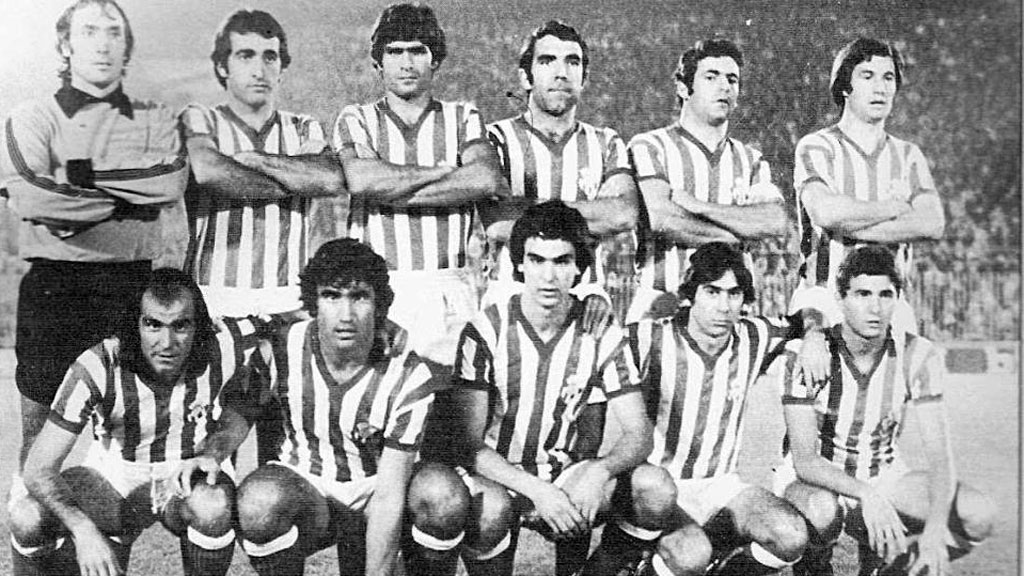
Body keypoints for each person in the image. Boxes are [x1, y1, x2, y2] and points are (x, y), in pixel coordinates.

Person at [179, 239, 467, 576]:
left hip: (378, 486)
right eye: (331, 296)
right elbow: (242, 410)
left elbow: (389, 495)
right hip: (307, 484)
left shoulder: (409, 373)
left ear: (379, 304)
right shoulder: (281, 347)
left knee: (443, 496)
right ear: (313, 303)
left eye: (359, 297)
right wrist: (213, 452)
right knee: (259, 502)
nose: (346, 315)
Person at [0, 0, 188, 511]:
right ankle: (31, 548)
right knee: (38, 451)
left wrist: (76, 177)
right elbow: (31, 196)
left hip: (134, 288)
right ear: (65, 45)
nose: (102, 44)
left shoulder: (154, 119)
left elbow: (170, 181)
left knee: (137, 443)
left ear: (126, 47)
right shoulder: (31, 117)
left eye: (113, 32)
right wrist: (129, 194)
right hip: (55, 290)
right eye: (88, 32)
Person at [445, 200, 672, 576]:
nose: (548, 277)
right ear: (519, 264)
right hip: (497, 475)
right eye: (536, 260)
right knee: (492, 509)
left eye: (562, 261)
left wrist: (598, 471)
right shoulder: (486, 330)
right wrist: (537, 491)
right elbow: (468, 444)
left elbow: (639, 434)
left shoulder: (600, 330)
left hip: (563, 475)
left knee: (655, 487)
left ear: (579, 267)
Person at [585, 242, 829, 576]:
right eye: (712, 292)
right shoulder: (650, 337)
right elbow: (595, 347)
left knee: (790, 535)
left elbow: (803, 316)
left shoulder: (754, 336)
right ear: (691, 295)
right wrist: (594, 300)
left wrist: (814, 335)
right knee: (691, 554)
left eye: (734, 294)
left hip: (721, 486)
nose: (723, 306)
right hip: (657, 489)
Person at [179, 8, 352, 467]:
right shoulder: (200, 118)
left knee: (283, 456)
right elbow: (209, 171)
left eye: (270, 56)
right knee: (209, 453)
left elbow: (329, 179)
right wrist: (292, 179)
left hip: (286, 305)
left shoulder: (304, 127)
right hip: (215, 301)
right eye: (245, 55)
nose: (259, 68)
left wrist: (249, 162)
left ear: (282, 65)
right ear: (222, 66)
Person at [10, 268, 262, 576]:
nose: (167, 342)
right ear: (135, 324)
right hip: (114, 478)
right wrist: (83, 530)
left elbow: (262, 371)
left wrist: (215, 450)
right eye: (153, 324)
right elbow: (37, 468)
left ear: (199, 324)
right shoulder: (98, 364)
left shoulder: (224, 345)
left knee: (213, 505)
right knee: (27, 516)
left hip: (186, 472)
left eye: (181, 325)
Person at [776, 246, 994, 576]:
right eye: (862, 294)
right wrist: (866, 494)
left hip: (882, 475)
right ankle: (814, 564)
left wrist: (935, 531)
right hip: (817, 480)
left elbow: (940, 457)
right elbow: (805, 461)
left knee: (977, 513)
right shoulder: (808, 354)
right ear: (840, 299)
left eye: (885, 295)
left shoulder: (918, 354)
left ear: (898, 299)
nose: (875, 308)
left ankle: (893, 569)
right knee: (821, 510)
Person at [332, 2, 507, 367]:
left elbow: (485, 178)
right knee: (377, 397)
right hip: (379, 290)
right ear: (378, 62)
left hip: (451, 289)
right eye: (394, 52)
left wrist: (390, 186)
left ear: (435, 59)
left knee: (452, 396)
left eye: (417, 51)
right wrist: (445, 171)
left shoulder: (463, 116)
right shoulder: (357, 117)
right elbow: (362, 181)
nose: (406, 63)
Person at [483, 20, 638, 327]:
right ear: (525, 77)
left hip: (586, 302)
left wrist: (527, 211)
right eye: (547, 61)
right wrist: (592, 212)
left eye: (572, 62)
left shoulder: (606, 142)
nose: (561, 72)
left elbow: (622, 215)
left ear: (584, 78)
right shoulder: (495, 138)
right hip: (509, 299)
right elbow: (498, 222)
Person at [790, 37, 946, 331]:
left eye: (888, 77)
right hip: (824, 298)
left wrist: (849, 224)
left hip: (889, 301)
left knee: (916, 357)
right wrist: (896, 208)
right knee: (813, 353)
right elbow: (827, 214)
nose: (880, 88)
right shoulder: (818, 146)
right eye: (867, 76)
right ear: (845, 86)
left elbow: (932, 224)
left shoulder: (908, 155)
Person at [627, 38, 787, 322]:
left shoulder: (751, 159)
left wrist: (697, 206)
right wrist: (737, 235)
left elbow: (774, 222)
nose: (724, 86)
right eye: (711, 77)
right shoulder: (651, 146)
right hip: (663, 306)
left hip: (731, 312)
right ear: (683, 88)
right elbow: (662, 219)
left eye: (732, 79)